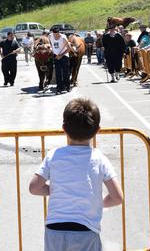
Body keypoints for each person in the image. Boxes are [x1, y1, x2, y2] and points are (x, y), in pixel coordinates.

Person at [28, 98, 123, 251]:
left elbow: (34, 188)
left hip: (54, 229)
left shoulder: (53, 155)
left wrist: (54, 189)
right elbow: (117, 197)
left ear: (64, 128)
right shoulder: (99, 159)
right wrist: (98, 202)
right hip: (85, 229)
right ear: (97, 130)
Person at [49, 27, 74, 94]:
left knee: (66, 72)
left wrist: (61, 55)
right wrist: (53, 51)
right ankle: (59, 87)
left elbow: (69, 48)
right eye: (54, 34)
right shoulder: (50, 36)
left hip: (64, 57)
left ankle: (67, 86)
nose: (56, 36)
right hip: (56, 56)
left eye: (57, 34)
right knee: (58, 73)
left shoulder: (63, 38)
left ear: (59, 32)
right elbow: (52, 45)